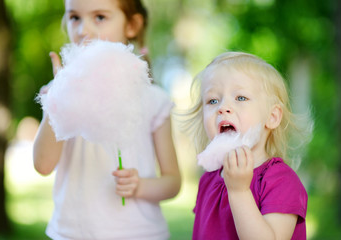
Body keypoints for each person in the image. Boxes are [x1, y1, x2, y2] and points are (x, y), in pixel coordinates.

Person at [33, 0, 181, 239]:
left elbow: (173, 182)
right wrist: (59, 98)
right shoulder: (56, 92)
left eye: (100, 17)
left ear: (132, 26)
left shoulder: (155, 100)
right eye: (74, 17)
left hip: (140, 233)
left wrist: (140, 186)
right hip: (72, 233)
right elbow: (43, 165)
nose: (83, 30)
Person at [182, 51, 311, 239]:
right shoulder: (208, 181)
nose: (223, 107)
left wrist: (239, 191)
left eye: (240, 98)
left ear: (272, 117)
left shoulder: (281, 182)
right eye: (213, 100)